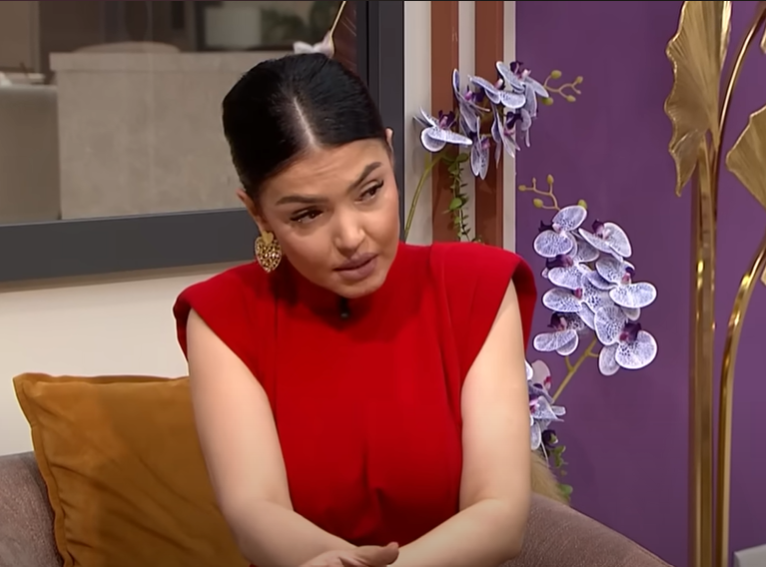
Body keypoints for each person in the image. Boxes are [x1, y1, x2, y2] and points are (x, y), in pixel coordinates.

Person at [173, 53, 537, 567]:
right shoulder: (224, 316)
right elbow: (255, 512)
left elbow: (499, 513)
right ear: (258, 214)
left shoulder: (477, 287)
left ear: (390, 153)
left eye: (370, 191)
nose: (351, 237)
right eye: (307, 214)